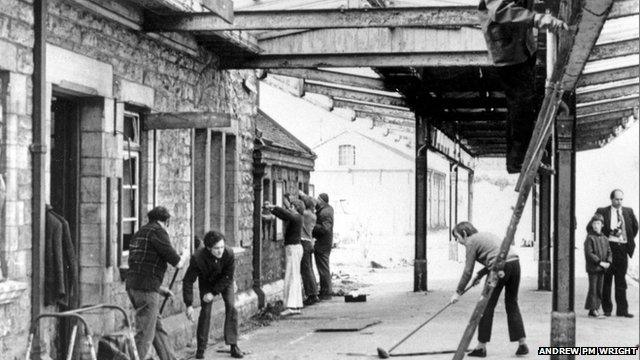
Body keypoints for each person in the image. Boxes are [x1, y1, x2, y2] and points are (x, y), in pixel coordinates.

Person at [479, 0, 568, 173]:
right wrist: (539, 18)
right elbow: (500, 10)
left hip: (522, 47)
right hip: (508, 50)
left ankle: (518, 160)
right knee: (521, 106)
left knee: (520, 106)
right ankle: (520, 161)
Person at [450, 222, 527, 357]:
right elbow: (498, 255)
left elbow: (467, 271)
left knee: (486, 305)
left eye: (457, 238)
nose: (458, 242)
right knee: (512, 303)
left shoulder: (471, 242)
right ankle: (522, 344)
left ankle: (481, 347)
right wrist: (480, 275)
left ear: (463, 234)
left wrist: (457, 292)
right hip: (514, 264)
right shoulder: (485, 235)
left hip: (499, 268)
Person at [126, 206, 189, 360]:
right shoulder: (158, 232)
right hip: (146, 291)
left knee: (156, 328)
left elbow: (141, 267)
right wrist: (185, 254)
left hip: (134, 287)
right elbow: (177, 263)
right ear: (167, 221)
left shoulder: (139, 233)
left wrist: (160, 289)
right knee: (145, 335)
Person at [183, 231, 244, 359]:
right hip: (207, 282)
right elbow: (188, 280)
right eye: (216, 248)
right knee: (205, 311)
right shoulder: (197, 258)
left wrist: (214, 293)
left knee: (231, 306)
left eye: (222, 247)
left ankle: (233, 345)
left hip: (225, 280)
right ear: (208, 248)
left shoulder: (229, 253)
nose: (220, 251)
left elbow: (228, 276)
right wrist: (188, 304)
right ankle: (201, 348)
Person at [595, 189, 639, 317]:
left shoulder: (628, 212)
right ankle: (607, 309)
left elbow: (635, 227)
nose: (619, 202)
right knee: (607, 281)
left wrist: (627, 239)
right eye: (616, 199)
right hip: (608, 249)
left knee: (621, 281)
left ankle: (622, 310)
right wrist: (604, 239)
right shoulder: (602, 211)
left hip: (622, 250)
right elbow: (592, 227)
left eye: (621, 199)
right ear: (611, 199)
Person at [265, 196, 305, 315]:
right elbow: (284, 215)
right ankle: (295, 305)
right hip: (293, 248)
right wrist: (273, 209)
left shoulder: (296, 217)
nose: (290, 208)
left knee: (292, 276)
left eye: (291, 206)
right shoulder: (296, 217)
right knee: (293, 276)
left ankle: (292, 306)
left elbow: (286, 214)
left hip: (293, 249)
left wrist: (273, 207)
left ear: (296, 208)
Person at [583, 214, 612, 318]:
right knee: (593, 289)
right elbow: (589, 253)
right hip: (593, 268)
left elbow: (609, 251)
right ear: (592, 225)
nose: (596, 226)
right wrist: (600, 262)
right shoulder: (590, 238)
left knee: (599, 289)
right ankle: (592, 308)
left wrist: (608, 261)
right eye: (594, 223)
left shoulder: (605, 238)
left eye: (598, 223)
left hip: (602, 269)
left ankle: (596, 308)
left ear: (602, 225)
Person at [298, 191, 319, 305]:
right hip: (309, 243)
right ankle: (314, 292)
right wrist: (303, 194)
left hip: (304, 242)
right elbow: (309, 200)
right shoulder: (312, 214)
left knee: (306, 270)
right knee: (309, 269)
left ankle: (312, 294)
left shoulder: (305, 214)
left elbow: (293, 209)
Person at [313, 193, 334, 300]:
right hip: (325, 243)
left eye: (318, 199)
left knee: (323, 268)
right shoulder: (327, 209)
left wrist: (312, 225)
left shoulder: (325, 212)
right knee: (323, 267)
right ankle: (325, 291)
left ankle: (326, 292)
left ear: (322, 201)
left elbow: (324, 228)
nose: (316, 200)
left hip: (322, 243)